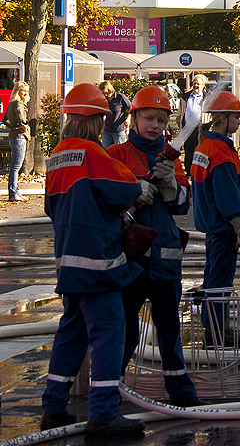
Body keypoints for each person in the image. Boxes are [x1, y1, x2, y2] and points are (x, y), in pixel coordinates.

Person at [41, 83, 150, 437]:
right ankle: (103, 413)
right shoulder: (92, 153)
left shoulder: (57, 156)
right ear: (99, 120)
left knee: (71, 333)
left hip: (68, 262)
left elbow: (50, 207)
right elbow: (125, 189)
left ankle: (53, 407)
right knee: (109, 332)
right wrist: (141, 187)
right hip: (98, 262)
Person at [108, 86, 203, 409]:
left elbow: (181, 206)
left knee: (169, 328)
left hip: (164, 259)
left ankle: (179, 387)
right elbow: (103, 204)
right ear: (134, 119)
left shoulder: (170, 160)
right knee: (124, 329)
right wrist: (132, 193)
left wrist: (170, 185)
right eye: (149, 118)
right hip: (130, 258)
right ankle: (109, 389)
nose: (155, 126)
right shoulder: (116, 156)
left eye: (161, 121)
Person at [191, 91, 240, 347]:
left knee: (213, 276)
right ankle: (215, 333)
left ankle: (212, 328)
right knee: (220, 281)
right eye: (236, 117)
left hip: (210, 226)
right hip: (223, 228)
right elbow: (227, 195)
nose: (238, 122)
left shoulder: (203, 146)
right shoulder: (222, 152)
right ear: (223, 118)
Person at [5, 82, 30, 202]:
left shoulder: (11, 104)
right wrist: (22, 125)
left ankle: (15, 192)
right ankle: (14, 193)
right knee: (16, 167)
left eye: (27, 91)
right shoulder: (19, 104)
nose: (25, 93)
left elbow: (4, 119)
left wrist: (12, 127)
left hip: (12, 137)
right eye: (23, 90)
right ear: (17, 91)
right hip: (20, 138)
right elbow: (21, 116)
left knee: (14, 166)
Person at [178, 74, 208, 175]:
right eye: (194, 84)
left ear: (203, 85)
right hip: (187, 128)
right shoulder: (186, 97)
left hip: (200, 129)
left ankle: (198, 172)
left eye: (198, 84)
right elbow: (181, 112)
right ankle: (189, 172)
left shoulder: (206, 97)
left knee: (199, 151)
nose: (196, 86)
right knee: (188, 151)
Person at [97, 81, 131, 148]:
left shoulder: (120, 97)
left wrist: (128, 118)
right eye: (104, 94)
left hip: (118, 130)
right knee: (106, 152)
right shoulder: (104, 100)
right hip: (106, 130)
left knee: (118, 151)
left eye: (107, 92)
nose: (106, 95)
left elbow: (131, 107)